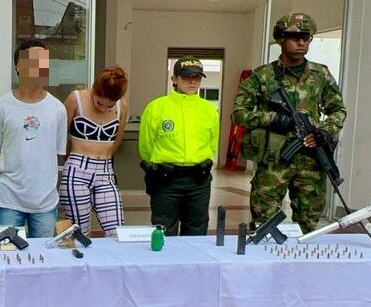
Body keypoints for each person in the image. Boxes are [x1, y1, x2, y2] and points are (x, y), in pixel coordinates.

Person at [232, 13, 346, 233]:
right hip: (274, 160)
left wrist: (325, 131)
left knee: (310, 224)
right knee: (265, 223)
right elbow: (239, 113)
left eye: (306, 36)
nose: (301, 41)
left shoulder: (320, 74)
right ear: (281, 38)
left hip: (311, 159)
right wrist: (273, 119)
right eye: (295, 36)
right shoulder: (263, 76)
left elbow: (338, 110)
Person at [0, 39, 66, 237]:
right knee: (6, 257)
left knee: (44, 261)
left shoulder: (57, 108)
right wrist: (12, 177)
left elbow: (58, 154)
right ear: (18, 66)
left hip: (45, 203)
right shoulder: (1, 107)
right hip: (9, 200)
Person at [139, 56, 219, 236]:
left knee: (197, 231)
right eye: (186, 76)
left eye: (197, 77)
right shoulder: (156, 107)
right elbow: (146, 146)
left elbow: (211, 144)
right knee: (164, 230)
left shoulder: (209, 110)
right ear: (174, 79)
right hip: (166, 180)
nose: (192, 81)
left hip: (198, 180)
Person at [58, 66, 129, 237]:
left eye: (109, 105)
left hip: (105, 170)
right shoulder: (76, 98)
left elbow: (118, 139)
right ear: (94, 89)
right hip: (77, 168)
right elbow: (60, 136)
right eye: (99, 103)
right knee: (78, 234)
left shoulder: (122, 106)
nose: (104, 109)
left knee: (117, 232)